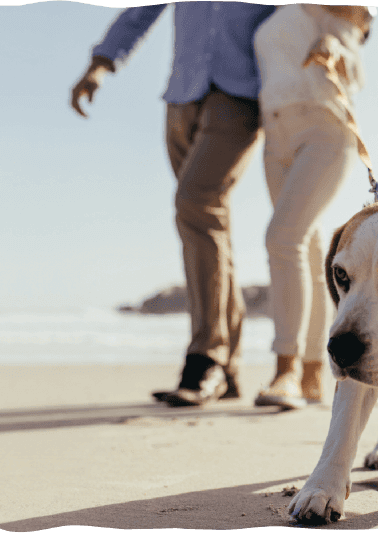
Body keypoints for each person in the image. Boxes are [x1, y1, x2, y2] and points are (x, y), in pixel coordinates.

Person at [71, 2, 277, 407]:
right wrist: (101, 63)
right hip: (182, 96)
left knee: (196, 204)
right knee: (204, 222)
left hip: (240, 95)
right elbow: (140, 11)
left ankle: (206, 359)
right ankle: (228, 370)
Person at [250, 4, 376, 409]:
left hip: (323, 128)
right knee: (308, 248)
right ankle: (310, 374)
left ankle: (284, 369)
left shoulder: (338, 12)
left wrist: (335, 47)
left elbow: (354, 59)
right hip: (275, 136)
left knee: (282, 239)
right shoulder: (279, 14)